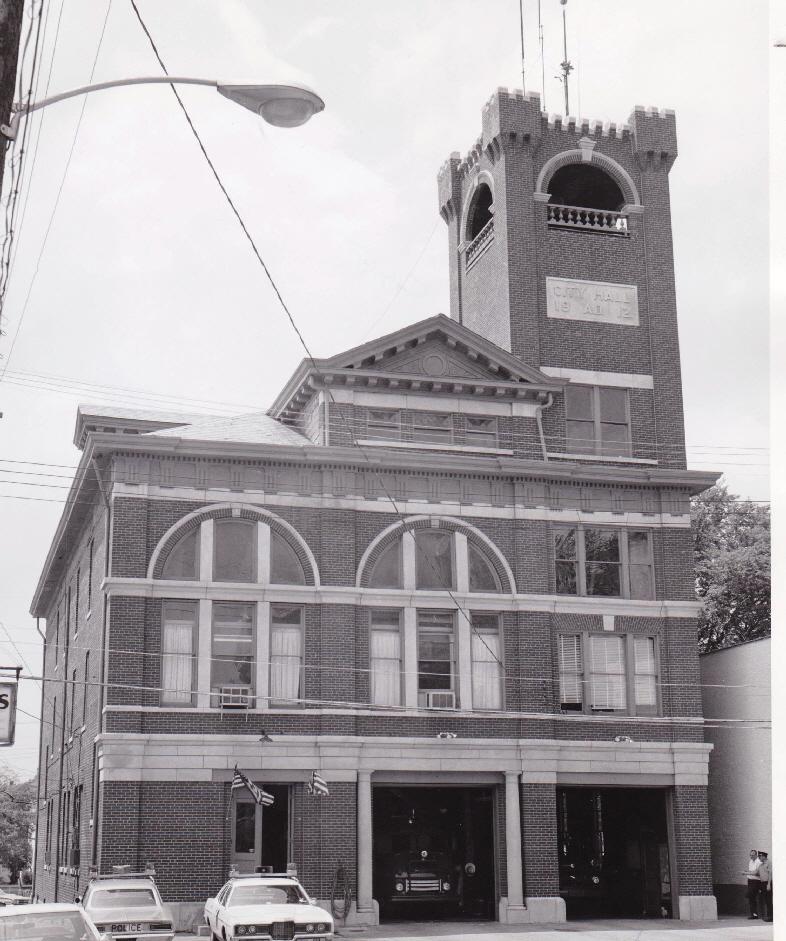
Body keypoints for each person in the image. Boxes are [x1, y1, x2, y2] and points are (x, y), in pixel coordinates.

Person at [742, 849, 762, 918]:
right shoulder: (750, 862)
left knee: (749, 894)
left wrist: (745, 873)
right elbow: (751, 871)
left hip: (756, 881)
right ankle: (754, 913)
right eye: (750, 855)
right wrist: (747, 872)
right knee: (751, 898)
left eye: (753, 855)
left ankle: (754, 913)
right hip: (750, 881)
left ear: (756, 855)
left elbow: (756, 872)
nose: (751, 857)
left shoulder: (758, 862)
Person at [757, 852, 772, 922]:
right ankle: (768, 915)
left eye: (760, 856)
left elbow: (770, 874)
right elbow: (756, 872)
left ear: (764, 856)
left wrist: (769, 884)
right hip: (762, 883)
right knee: (766, 900)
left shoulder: (769, 863)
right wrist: (745, 873)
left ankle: (770, 916)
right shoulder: (761, 865)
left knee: (768, 900)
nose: (759, 858)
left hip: (767, 882)